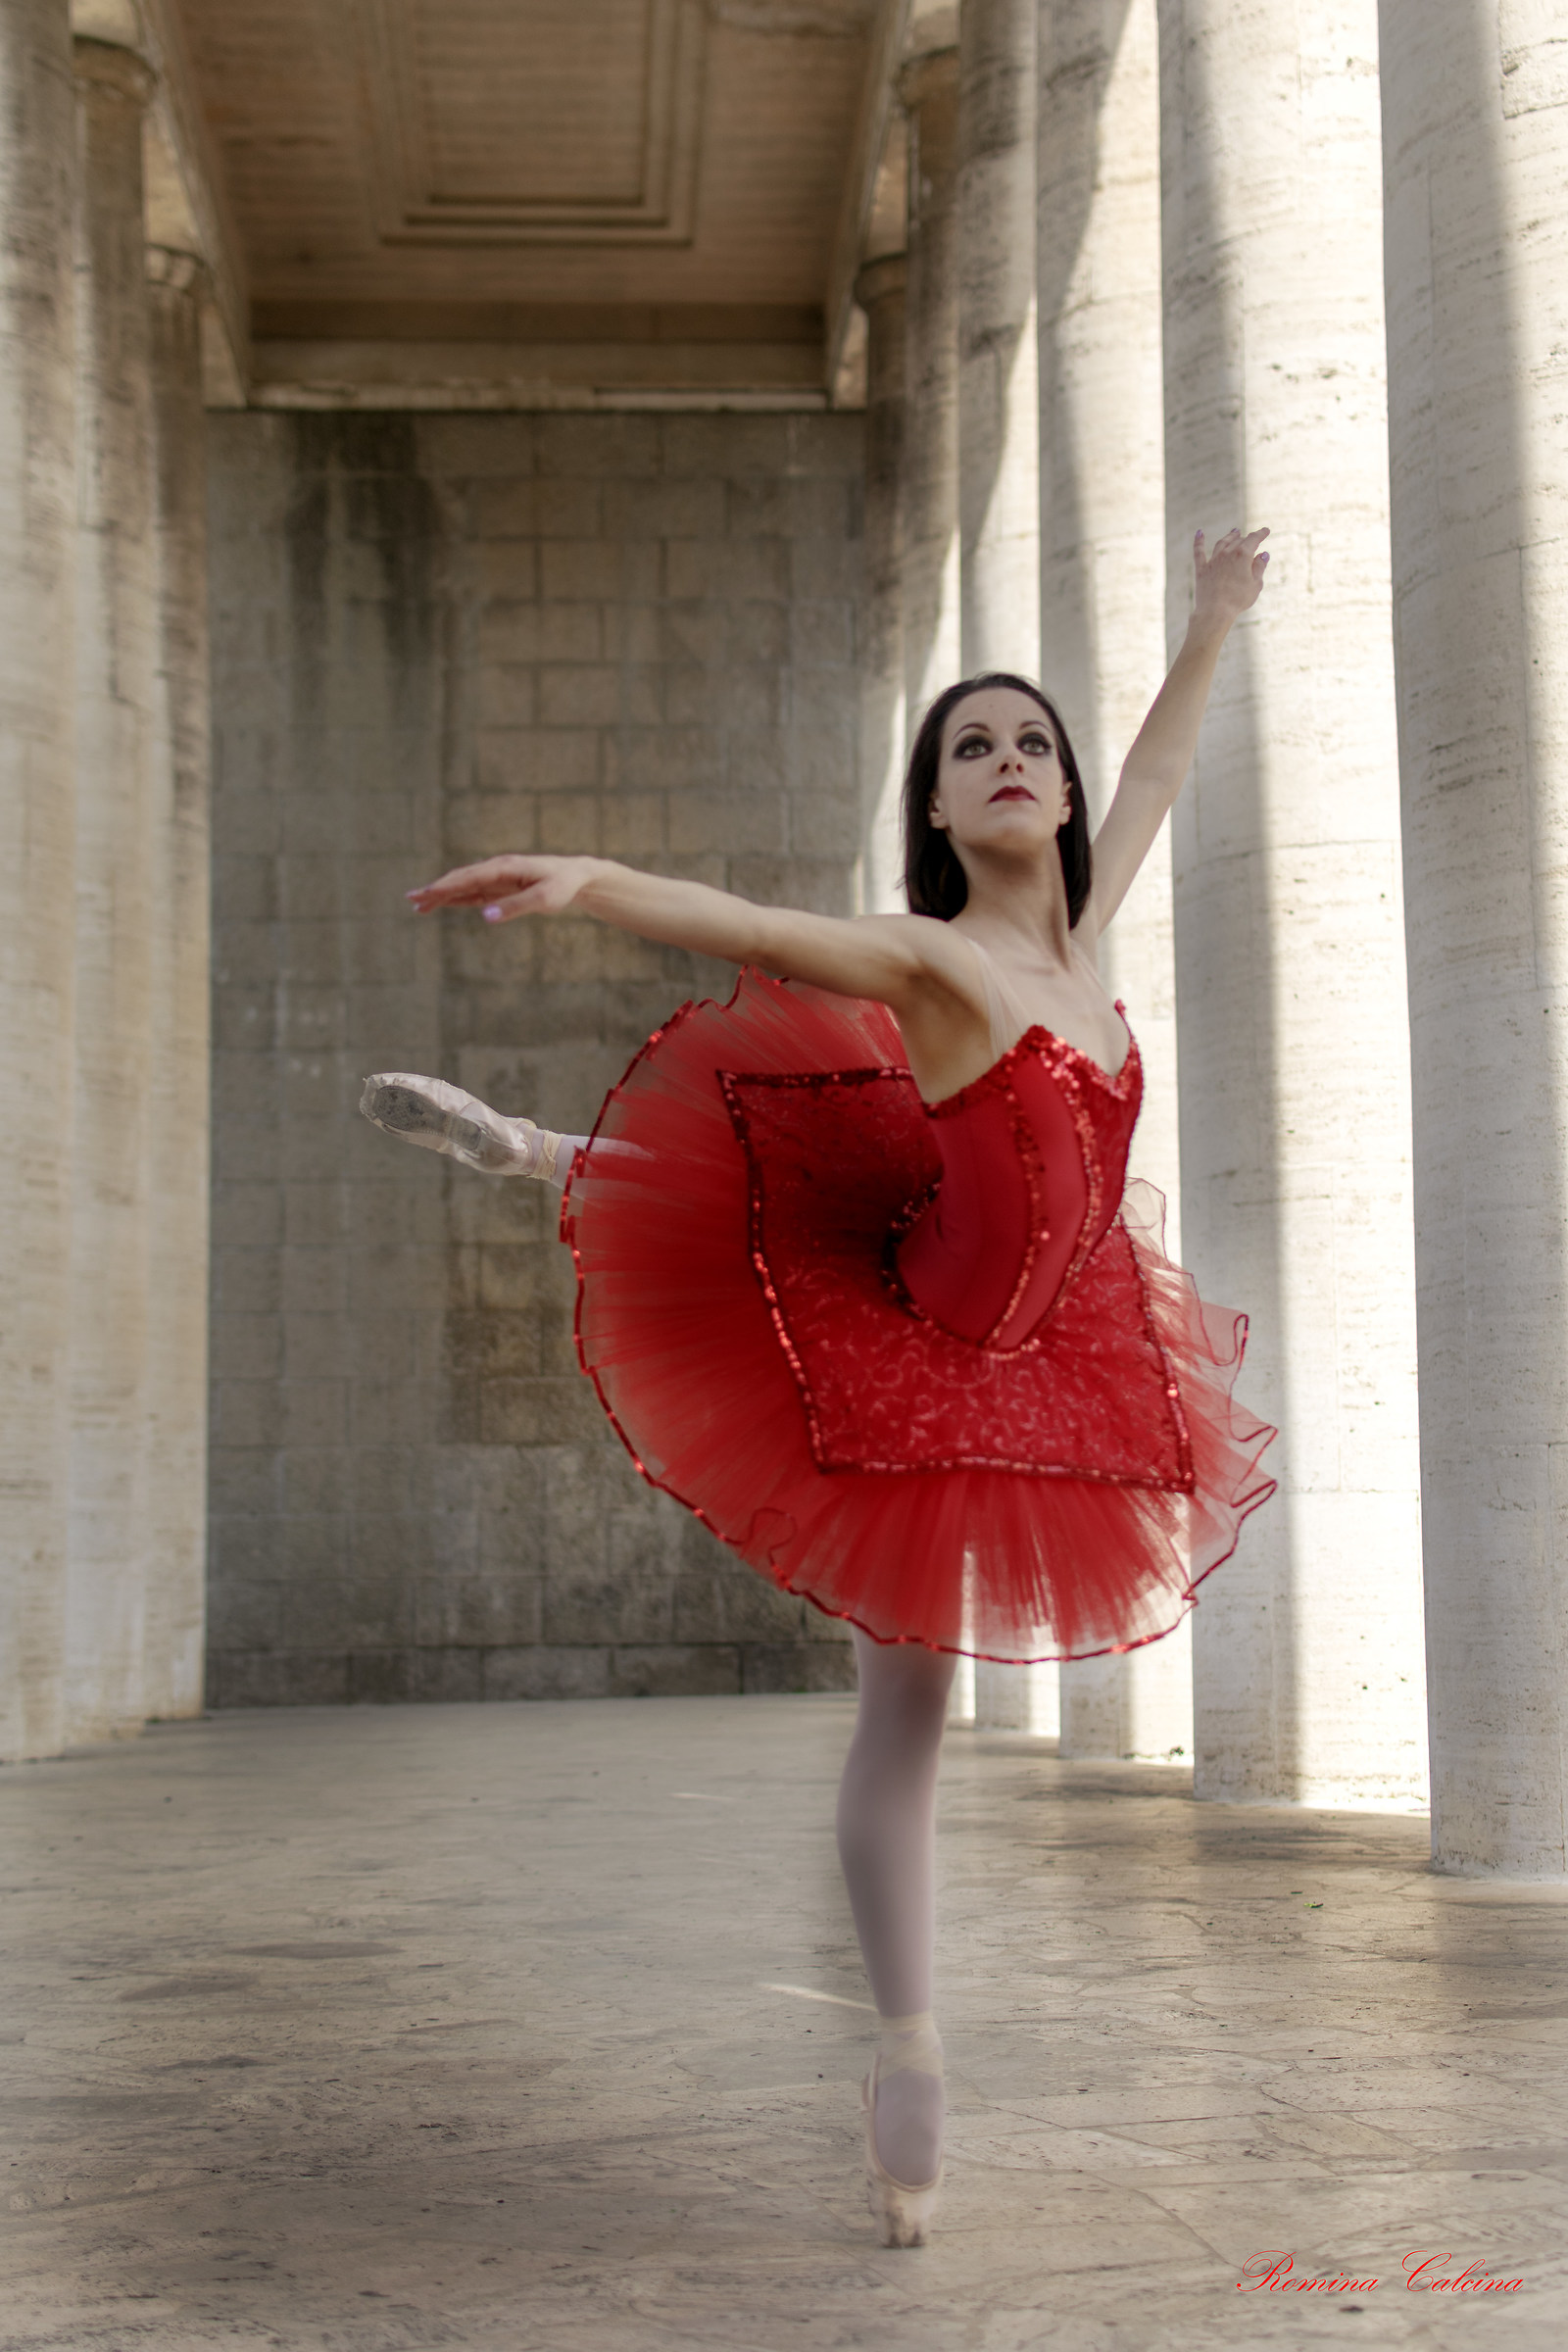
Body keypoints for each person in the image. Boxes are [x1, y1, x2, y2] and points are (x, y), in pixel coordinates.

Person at [362, 525, 1278, 2246]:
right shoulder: (939, 965)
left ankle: (539, 1150)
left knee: (783, 1234)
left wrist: (1215, 617)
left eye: (1032, 744)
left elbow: (1159, 758)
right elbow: (755, 923)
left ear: (1063, 798)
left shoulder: (1090, 930)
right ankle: (909, 2045)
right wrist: (595, 880)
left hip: (1056, 1346)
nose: (1012, 763)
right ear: (938, 812)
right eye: (971, 748)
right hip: (908, 1343)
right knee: (905, 1713)